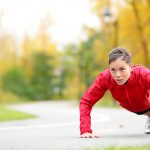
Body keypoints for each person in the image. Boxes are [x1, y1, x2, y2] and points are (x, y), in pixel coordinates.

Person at [79, 47, 150, 138]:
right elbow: (86, 101)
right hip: (131, 105)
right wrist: (85, 130)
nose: (117, 75)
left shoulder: (142, 74)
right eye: (113, 70)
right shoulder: (105, 78)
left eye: (122, 69)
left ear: (131, 67)